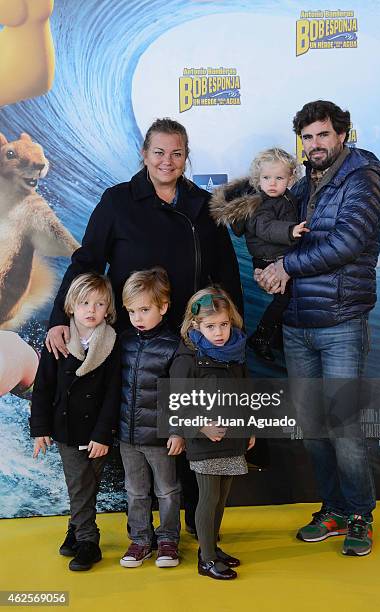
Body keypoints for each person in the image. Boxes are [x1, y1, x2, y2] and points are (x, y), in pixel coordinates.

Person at [45, 117, 243, 534]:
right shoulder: (118, 202)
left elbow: (226, 276)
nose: (167, 161)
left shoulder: (205, 207)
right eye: (159, 152)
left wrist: (232, 338)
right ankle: (86, 530)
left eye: (176, 152)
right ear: (144, 154)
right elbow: (86, 262)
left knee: (188, 430)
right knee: (121, 432)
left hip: (188, 342)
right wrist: (60, 318)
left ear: (187, 156)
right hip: (129, 340)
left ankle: (195, 525)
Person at [255, 100, 380, 556]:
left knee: (345, 427)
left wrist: (286, 266)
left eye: (323, 135)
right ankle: (332, 508)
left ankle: (359, 516)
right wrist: (266, 265)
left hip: (342, 322)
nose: (315, 145)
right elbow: (267, 224)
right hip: (297, 322)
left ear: (343, 135)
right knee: (313, 426)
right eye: (307, 138)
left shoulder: (363, 180)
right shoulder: (302, 183)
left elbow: (348, 243)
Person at [30, 273, 121, 571]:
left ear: (108, 309)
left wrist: (103, 435)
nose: (91, 310)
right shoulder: (59, 341)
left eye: (99, 304)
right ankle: (88, 541)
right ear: (71, 306)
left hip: (97, 431)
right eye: (84, 303)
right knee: (78, 483)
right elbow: (42, 387)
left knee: (86, 485)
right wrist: (40, 429)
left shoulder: (112, 343)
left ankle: (74, 528)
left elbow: (112, 394)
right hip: (66, 429)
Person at [169, 287, 255, 580]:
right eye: (210, 326)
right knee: (208, 496)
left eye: (224, 324)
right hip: (205, 441)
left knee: (222, 497)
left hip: (233, 438)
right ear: (195, 325)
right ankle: (205, 559)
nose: (219, 332)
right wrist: (199, 427)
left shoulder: (236, 352)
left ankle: (213, 548)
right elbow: (175, 402)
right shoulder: (187, 359)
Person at [211, 147, 309, 361]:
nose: (272, 183)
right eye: (266, 178)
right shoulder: (261, 203)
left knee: (290, 298)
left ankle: (274, 337)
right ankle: (261, 337)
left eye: (279, 178)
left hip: (278, 256)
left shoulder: (287, 197)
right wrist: (290, 231)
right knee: (284, 298)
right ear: (258, 179)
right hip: (268, 259)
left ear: (291, 178)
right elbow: (264, 227)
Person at [118, 267, 184, 569]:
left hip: (159, 437)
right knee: (135, 491)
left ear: (163, 307)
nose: (137, 317)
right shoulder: (122, 341)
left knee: (167, 490)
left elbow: (179, 394)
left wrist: (177, 430)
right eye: (132, 311)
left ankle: (168, 539)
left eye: (144, 310)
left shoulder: (173, 346)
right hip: (127, 436)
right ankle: (140, 540)